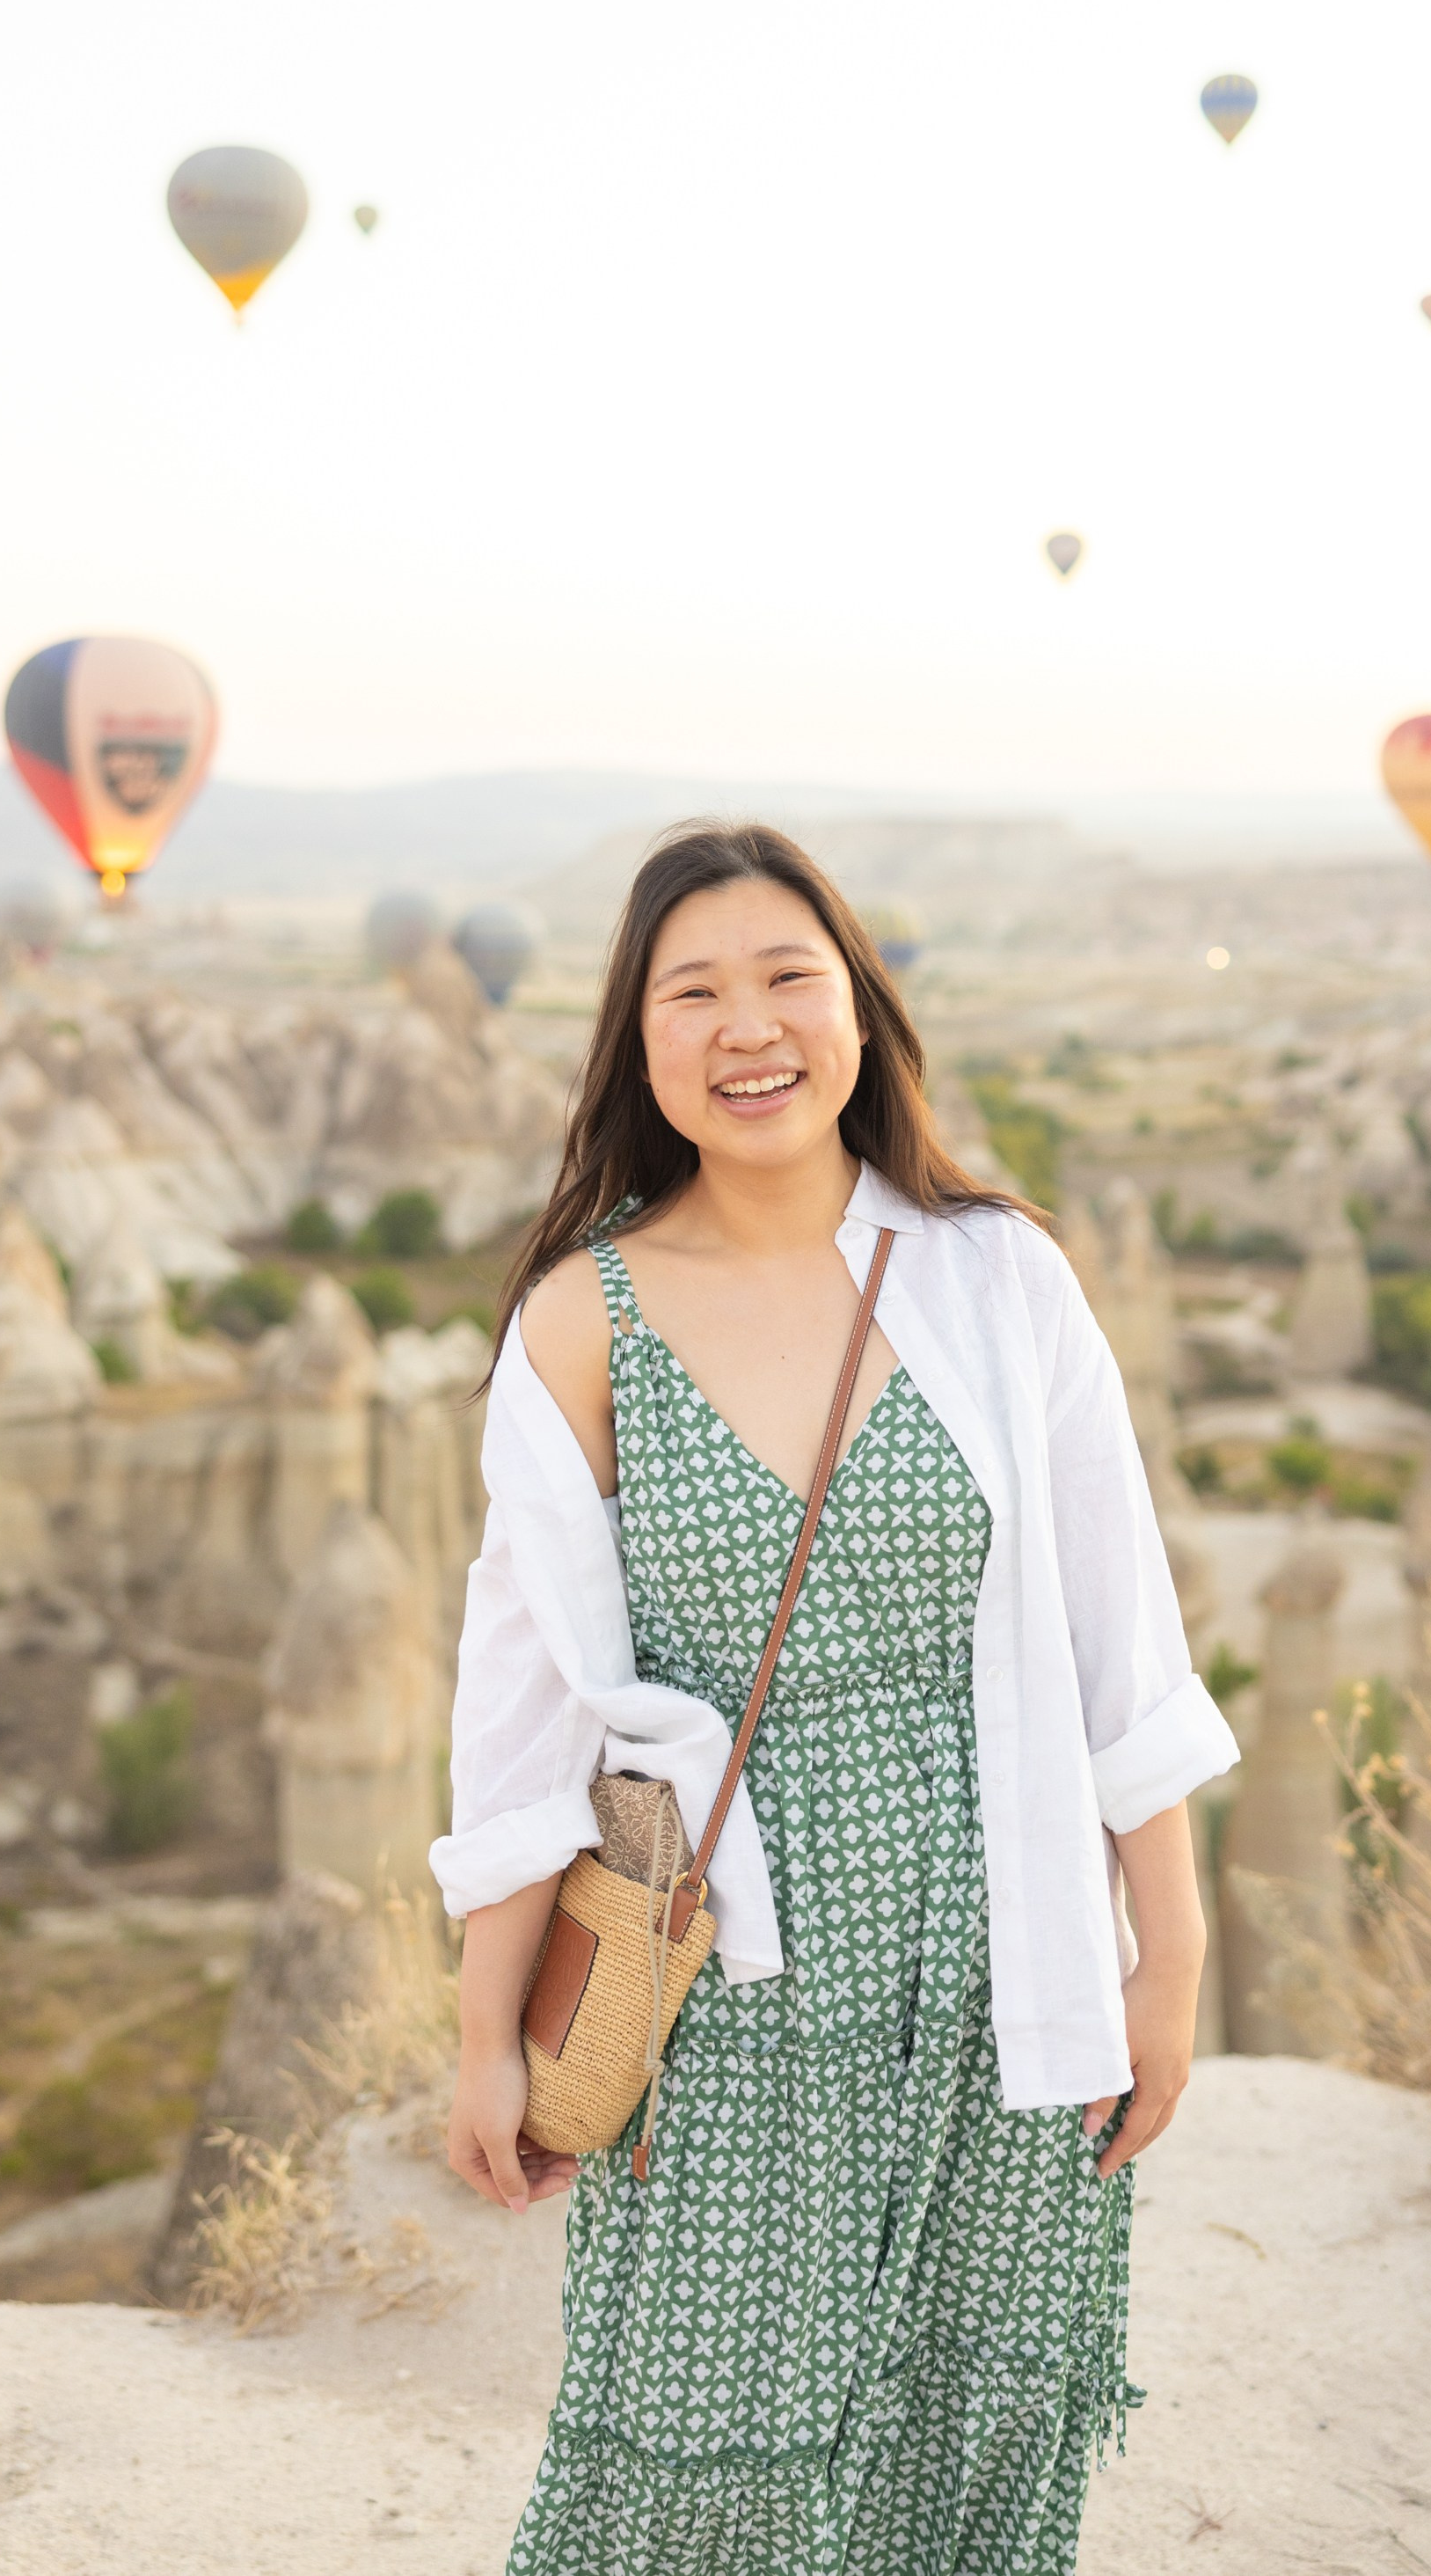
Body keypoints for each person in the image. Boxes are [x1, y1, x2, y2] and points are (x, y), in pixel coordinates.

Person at [433, 820, 1238, 2576]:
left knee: (970, 2429)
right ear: (639, 1046)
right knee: (705, 2441)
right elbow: (523, 1719)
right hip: (731, 1991)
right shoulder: (585, 1322)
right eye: (694, 991)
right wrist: (491, 2038)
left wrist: (1165, 1961)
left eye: (790, 977)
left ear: (860, 1015)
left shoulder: (995, 1275)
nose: (751, 1025)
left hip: (998, 1963)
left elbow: (1124, 1636)